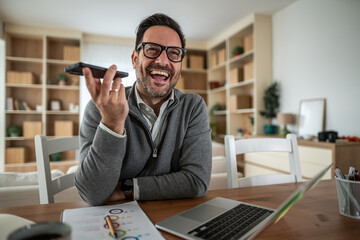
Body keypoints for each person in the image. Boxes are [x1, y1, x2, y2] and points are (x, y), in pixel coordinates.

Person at [75, 13, 212, 206]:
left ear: (180, 64)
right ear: (134, 58)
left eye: (174, 53)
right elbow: (92, 193)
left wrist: (128, 188)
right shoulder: (101, 108)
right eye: (152, 49)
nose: (163, 61)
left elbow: (196, 182)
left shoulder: (193, 106)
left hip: (174, 218)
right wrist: (112, 124)